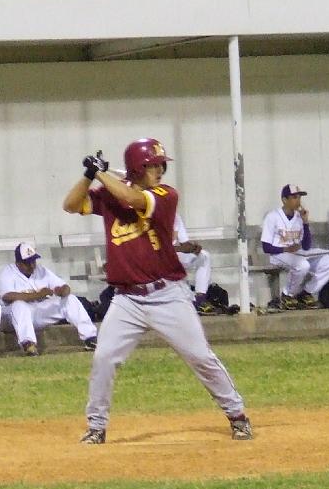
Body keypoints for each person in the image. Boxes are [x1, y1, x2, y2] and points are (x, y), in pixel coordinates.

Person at [62, 138, 252, 444]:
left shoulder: (165, 195)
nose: (160, 171)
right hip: (126, 299)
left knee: (200, 356)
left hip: (167, 294)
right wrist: (89, 175)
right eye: (153, 166)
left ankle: (237, 415)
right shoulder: (112, 193)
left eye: (161, 165)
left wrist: (101, 174)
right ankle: (96, 427)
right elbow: (71, 205)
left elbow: (133, 199)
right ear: (137, 167)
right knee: (104, 358)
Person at [0, 242, 98, 355]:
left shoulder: (41, 271)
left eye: (33, 261)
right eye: (27, 262)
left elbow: (65, 287)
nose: (32, 265)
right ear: (18, 263)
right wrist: (39, 295)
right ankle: (28, 344)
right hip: (11, 317)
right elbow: (9, 296)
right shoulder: (7, 272)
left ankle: (91, 339)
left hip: (36, 312)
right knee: (19, 304)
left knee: (70, 299)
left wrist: (62, 291)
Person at [260, 184, 329, 310]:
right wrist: (285, 249)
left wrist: (306, 222)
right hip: (278, 254)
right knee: (303, 265)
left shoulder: (299, 217)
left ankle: (306, 293)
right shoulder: (273, 216)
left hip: (298, 254)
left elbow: (307, 246)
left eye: (299, 197)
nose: (298, 201)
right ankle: (287, 295)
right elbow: (266, 247)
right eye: (294, 197)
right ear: (284, 200)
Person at [172, 215, 216, 315]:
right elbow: (158, 249)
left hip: (174, 256)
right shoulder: (152, 216)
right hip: (156, 259)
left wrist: (194, 248)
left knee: (204, 256)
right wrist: (184, 249)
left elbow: (185, 243)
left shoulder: (176, 217)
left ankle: (200, 300)